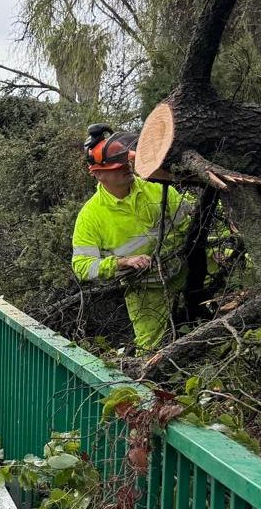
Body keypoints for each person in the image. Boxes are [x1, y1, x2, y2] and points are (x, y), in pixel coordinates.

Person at [70, 126, 191, 350]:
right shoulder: (90, 216)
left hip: (189, 271)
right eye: (117, 166)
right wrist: (122, 262)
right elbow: (82, 266)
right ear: (97, 173)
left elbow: (193, 223)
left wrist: (224, 249)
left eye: (126, 161)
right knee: (151, 351)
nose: (126, 167)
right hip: (146, 291)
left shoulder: (156, 188)